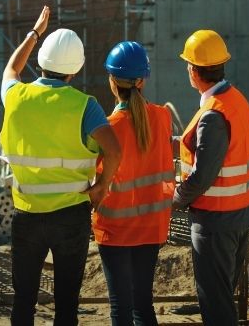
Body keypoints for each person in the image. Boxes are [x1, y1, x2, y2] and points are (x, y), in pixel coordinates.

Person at [0, 5, 122, 326]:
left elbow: (11, 69)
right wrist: (101, 188)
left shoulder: (16, 96)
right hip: (71, 216)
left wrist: (34, 33)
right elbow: (114, 150)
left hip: (26, 214)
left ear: (41, 62)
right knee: (67, 305)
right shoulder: (85, 106)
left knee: (23, 301)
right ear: (76, 69)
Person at [174, 29, 249, 325]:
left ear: (195, 71)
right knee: (223, 300)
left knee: (217, 308)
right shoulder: (237, 100)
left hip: (215, 223)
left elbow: (201, 176)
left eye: (188, 65)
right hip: (239, 215)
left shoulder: (213, 114)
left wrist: (174, 199)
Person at [92, 41, 174, 326]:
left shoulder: (107, 127)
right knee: (143, 305)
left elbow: (99, 178)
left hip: (116, 230)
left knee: (121, 308)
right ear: (142, 80)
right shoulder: (163, 117)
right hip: (152, 226)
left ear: (112, 81)